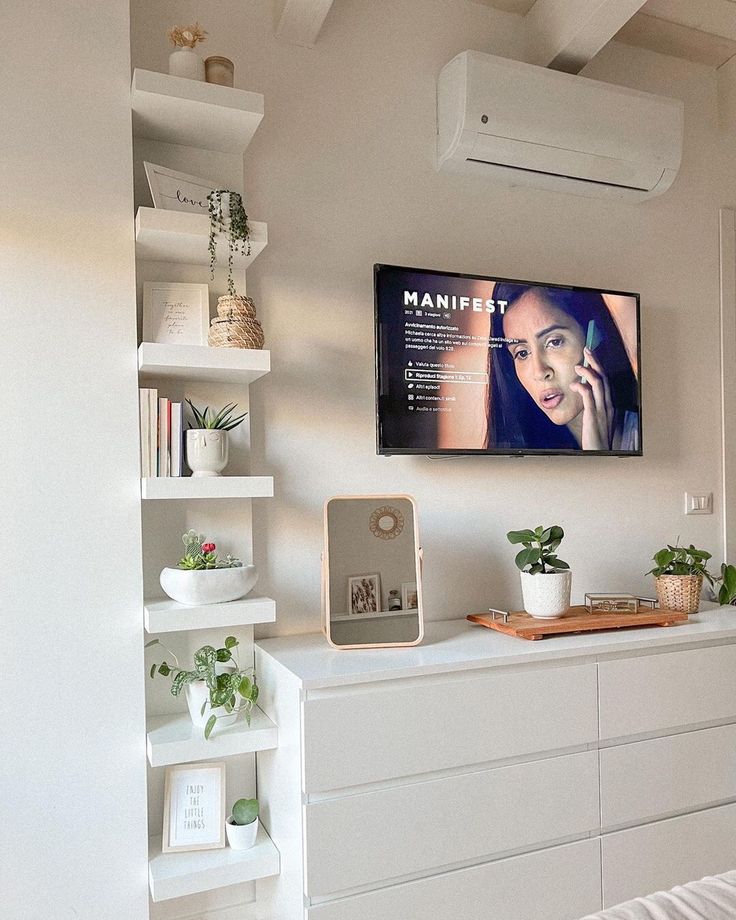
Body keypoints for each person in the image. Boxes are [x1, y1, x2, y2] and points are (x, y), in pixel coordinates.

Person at [487, 284, 639, 451]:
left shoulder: (650, 434)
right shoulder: (521, 452)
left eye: (555, 342)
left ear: (594, 336)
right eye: (522, 353)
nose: (540, 372)